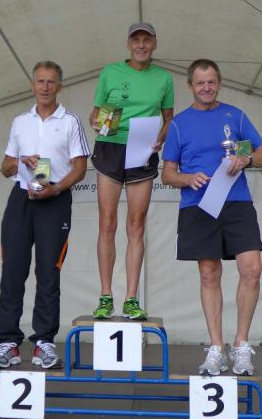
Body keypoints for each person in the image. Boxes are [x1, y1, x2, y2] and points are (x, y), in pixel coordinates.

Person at [161, 59, 262, 376]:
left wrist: (246, 158)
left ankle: (241, 345)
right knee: (209, 274)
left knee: (252, 269)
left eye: (211, 82)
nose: (206, 88)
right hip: (199, 204)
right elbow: (167, 173)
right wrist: (187, 178)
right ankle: (216, 348)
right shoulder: (179, 124)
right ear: (190, 86)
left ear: (220, 83)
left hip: (236, 201)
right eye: (200, 83)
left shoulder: (235, 116)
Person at [0, 61, 89, 370]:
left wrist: (56, 188)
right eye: (40, 81)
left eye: (51, 82)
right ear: (33, 85)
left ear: (60, 86)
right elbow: (5, 167)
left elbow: (80, 168)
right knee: (12, 271)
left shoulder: (70, 121)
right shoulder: (21, 122)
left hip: (54, 200)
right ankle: (8, 343)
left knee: (48, 273)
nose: (45, 87)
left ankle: (44, 342)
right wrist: (20, 160)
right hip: (21, 197)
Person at [89, 22, 174, 320]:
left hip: (142, 148)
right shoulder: (110, 72)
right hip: (110, 146)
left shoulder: (164, 78)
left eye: (146, 40)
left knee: (136, 225)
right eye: (136, 40)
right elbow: (95, 113)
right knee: (107, 223)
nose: (141, 45)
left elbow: (168, 117)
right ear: (128, 44)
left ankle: (131, 298)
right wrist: (97, 122)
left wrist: (161, 137)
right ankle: (105, 296)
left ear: (155, 43)